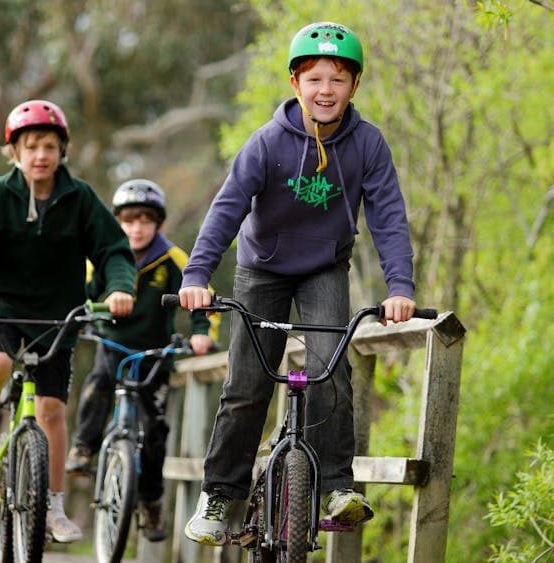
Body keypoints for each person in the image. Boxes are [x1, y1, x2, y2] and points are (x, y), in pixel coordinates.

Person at [176, 22, 418, 546]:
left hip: (323, 268)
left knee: (332, 368)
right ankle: (218, 495)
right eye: (314, 79)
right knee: (247, 385)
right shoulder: (266, 144)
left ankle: (336, 487)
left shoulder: (368, 145)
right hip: (261, 268)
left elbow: (389, 218)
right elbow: (226, 209)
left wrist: (400, 288)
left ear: (354, 86)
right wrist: (196, 275)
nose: (325, 90)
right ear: (295, 83)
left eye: (338, 79)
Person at [0, 99, 136, 544]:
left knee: (52, 409)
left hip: (57, 312)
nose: (40, 155)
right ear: (15, 153)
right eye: (31, 147)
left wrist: (120, 288)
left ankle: (53, 507)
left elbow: (113, 250)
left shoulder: (79, 199)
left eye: (49, 146)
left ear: (62, 152)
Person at [64, 178, 218, 542]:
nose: (137, 228)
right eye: (129, 221)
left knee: (154, 432)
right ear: (117, 222)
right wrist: (77, 318)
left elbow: (203, 298)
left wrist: (202, 333)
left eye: (145, 221)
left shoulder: (172, 258)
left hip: (154, 354)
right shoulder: (104, 256)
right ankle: (83, 447)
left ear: (159, 224)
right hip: (112, 343)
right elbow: (78, 294)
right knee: (99, 384)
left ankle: (150, 502)